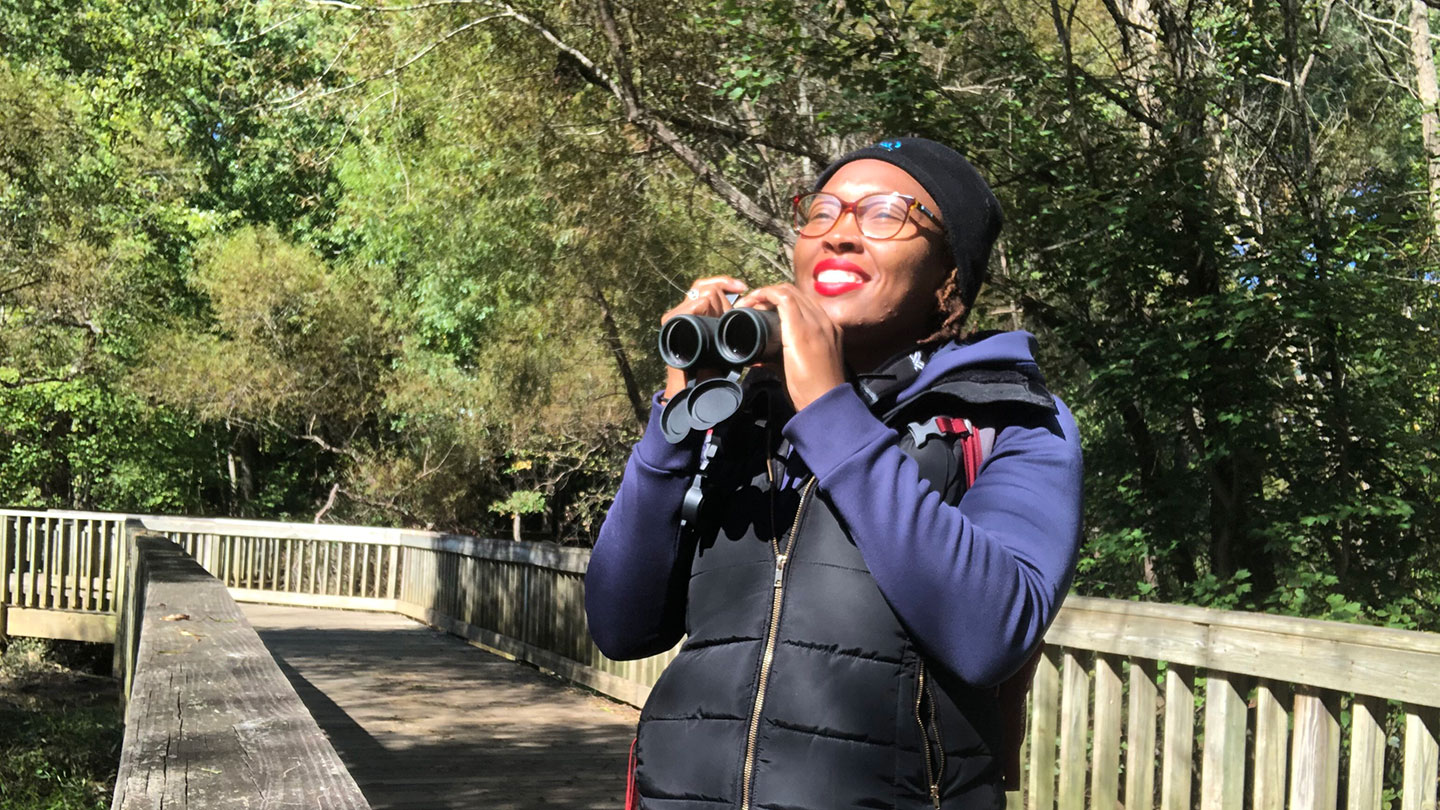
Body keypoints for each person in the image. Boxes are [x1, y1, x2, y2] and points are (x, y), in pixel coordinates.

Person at [585, 137, 1084, 810]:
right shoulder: (747, 417)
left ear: (950, 276)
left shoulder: (1009, 419)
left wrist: (828, 412)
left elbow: (992, 631)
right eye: (822, 211)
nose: (841, 234)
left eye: (885, 214)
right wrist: (675, 424)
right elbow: (621, 625)